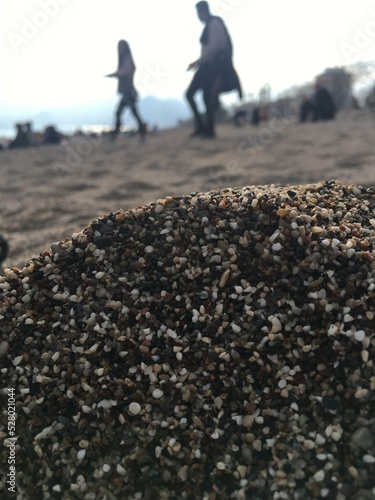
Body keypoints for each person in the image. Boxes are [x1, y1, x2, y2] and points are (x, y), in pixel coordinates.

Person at [186, 1, 242, 139]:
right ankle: (202, 127)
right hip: (205, 66)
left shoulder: (214, 24)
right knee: (191, 94)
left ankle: (209, 130)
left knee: (206, 97)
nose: (198, 16)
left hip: (212, 67)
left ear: (202, 11)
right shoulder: (209, 25)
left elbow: (213, 49)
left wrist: (197, 62)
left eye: (198, 13)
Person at [106, 40, 147, 139]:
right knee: (132, 113)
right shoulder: (124, 60)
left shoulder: (127, 59)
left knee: (120, 112)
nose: (119, 49)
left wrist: (113, 74)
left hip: (128, 93)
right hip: (128, 92)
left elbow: (124, 72)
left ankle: (116, 133)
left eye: (121, 47)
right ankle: (142, 130)